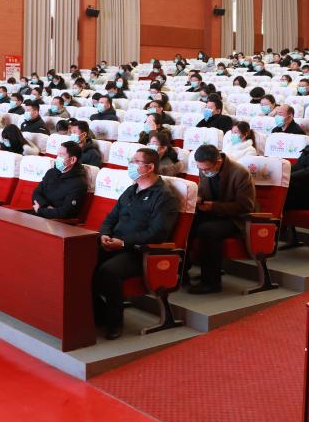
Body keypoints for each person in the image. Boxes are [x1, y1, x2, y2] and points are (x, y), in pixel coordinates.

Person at [93, 148, 180, 338]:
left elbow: (157, 234)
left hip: (140, 251)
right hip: (114, 243)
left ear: (149, 167)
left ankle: (114, 322)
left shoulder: (164, 196)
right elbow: (111, 217)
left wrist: (123, 243)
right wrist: (104, 234)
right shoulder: (131, 190)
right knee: (81, 261)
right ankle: (98, 314)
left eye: (135, 161)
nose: (130, 165)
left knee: (109, 271)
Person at [189, 144, 257, 294]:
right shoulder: (205, 169)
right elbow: (203, 191)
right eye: (200, 169)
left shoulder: (240, 173)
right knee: (188, 222)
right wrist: (199, 198)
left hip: (236, 219)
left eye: (206, 169)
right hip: (213, 213)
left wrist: (214, 207)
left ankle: (211, 282)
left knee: (207, 231)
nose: (203, 172)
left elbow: (245, 206)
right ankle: (183, 271)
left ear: (218, 163)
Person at [31, 142, 89, 221]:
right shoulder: (51, 172)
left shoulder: (79, 184)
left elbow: (66, 213)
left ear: (73, 160)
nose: (57, 158)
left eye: (61, 155)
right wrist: (46, 207)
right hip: (40, 215)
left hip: (58, 223)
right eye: (58, 154)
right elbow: (36, 193)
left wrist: (41, 210)